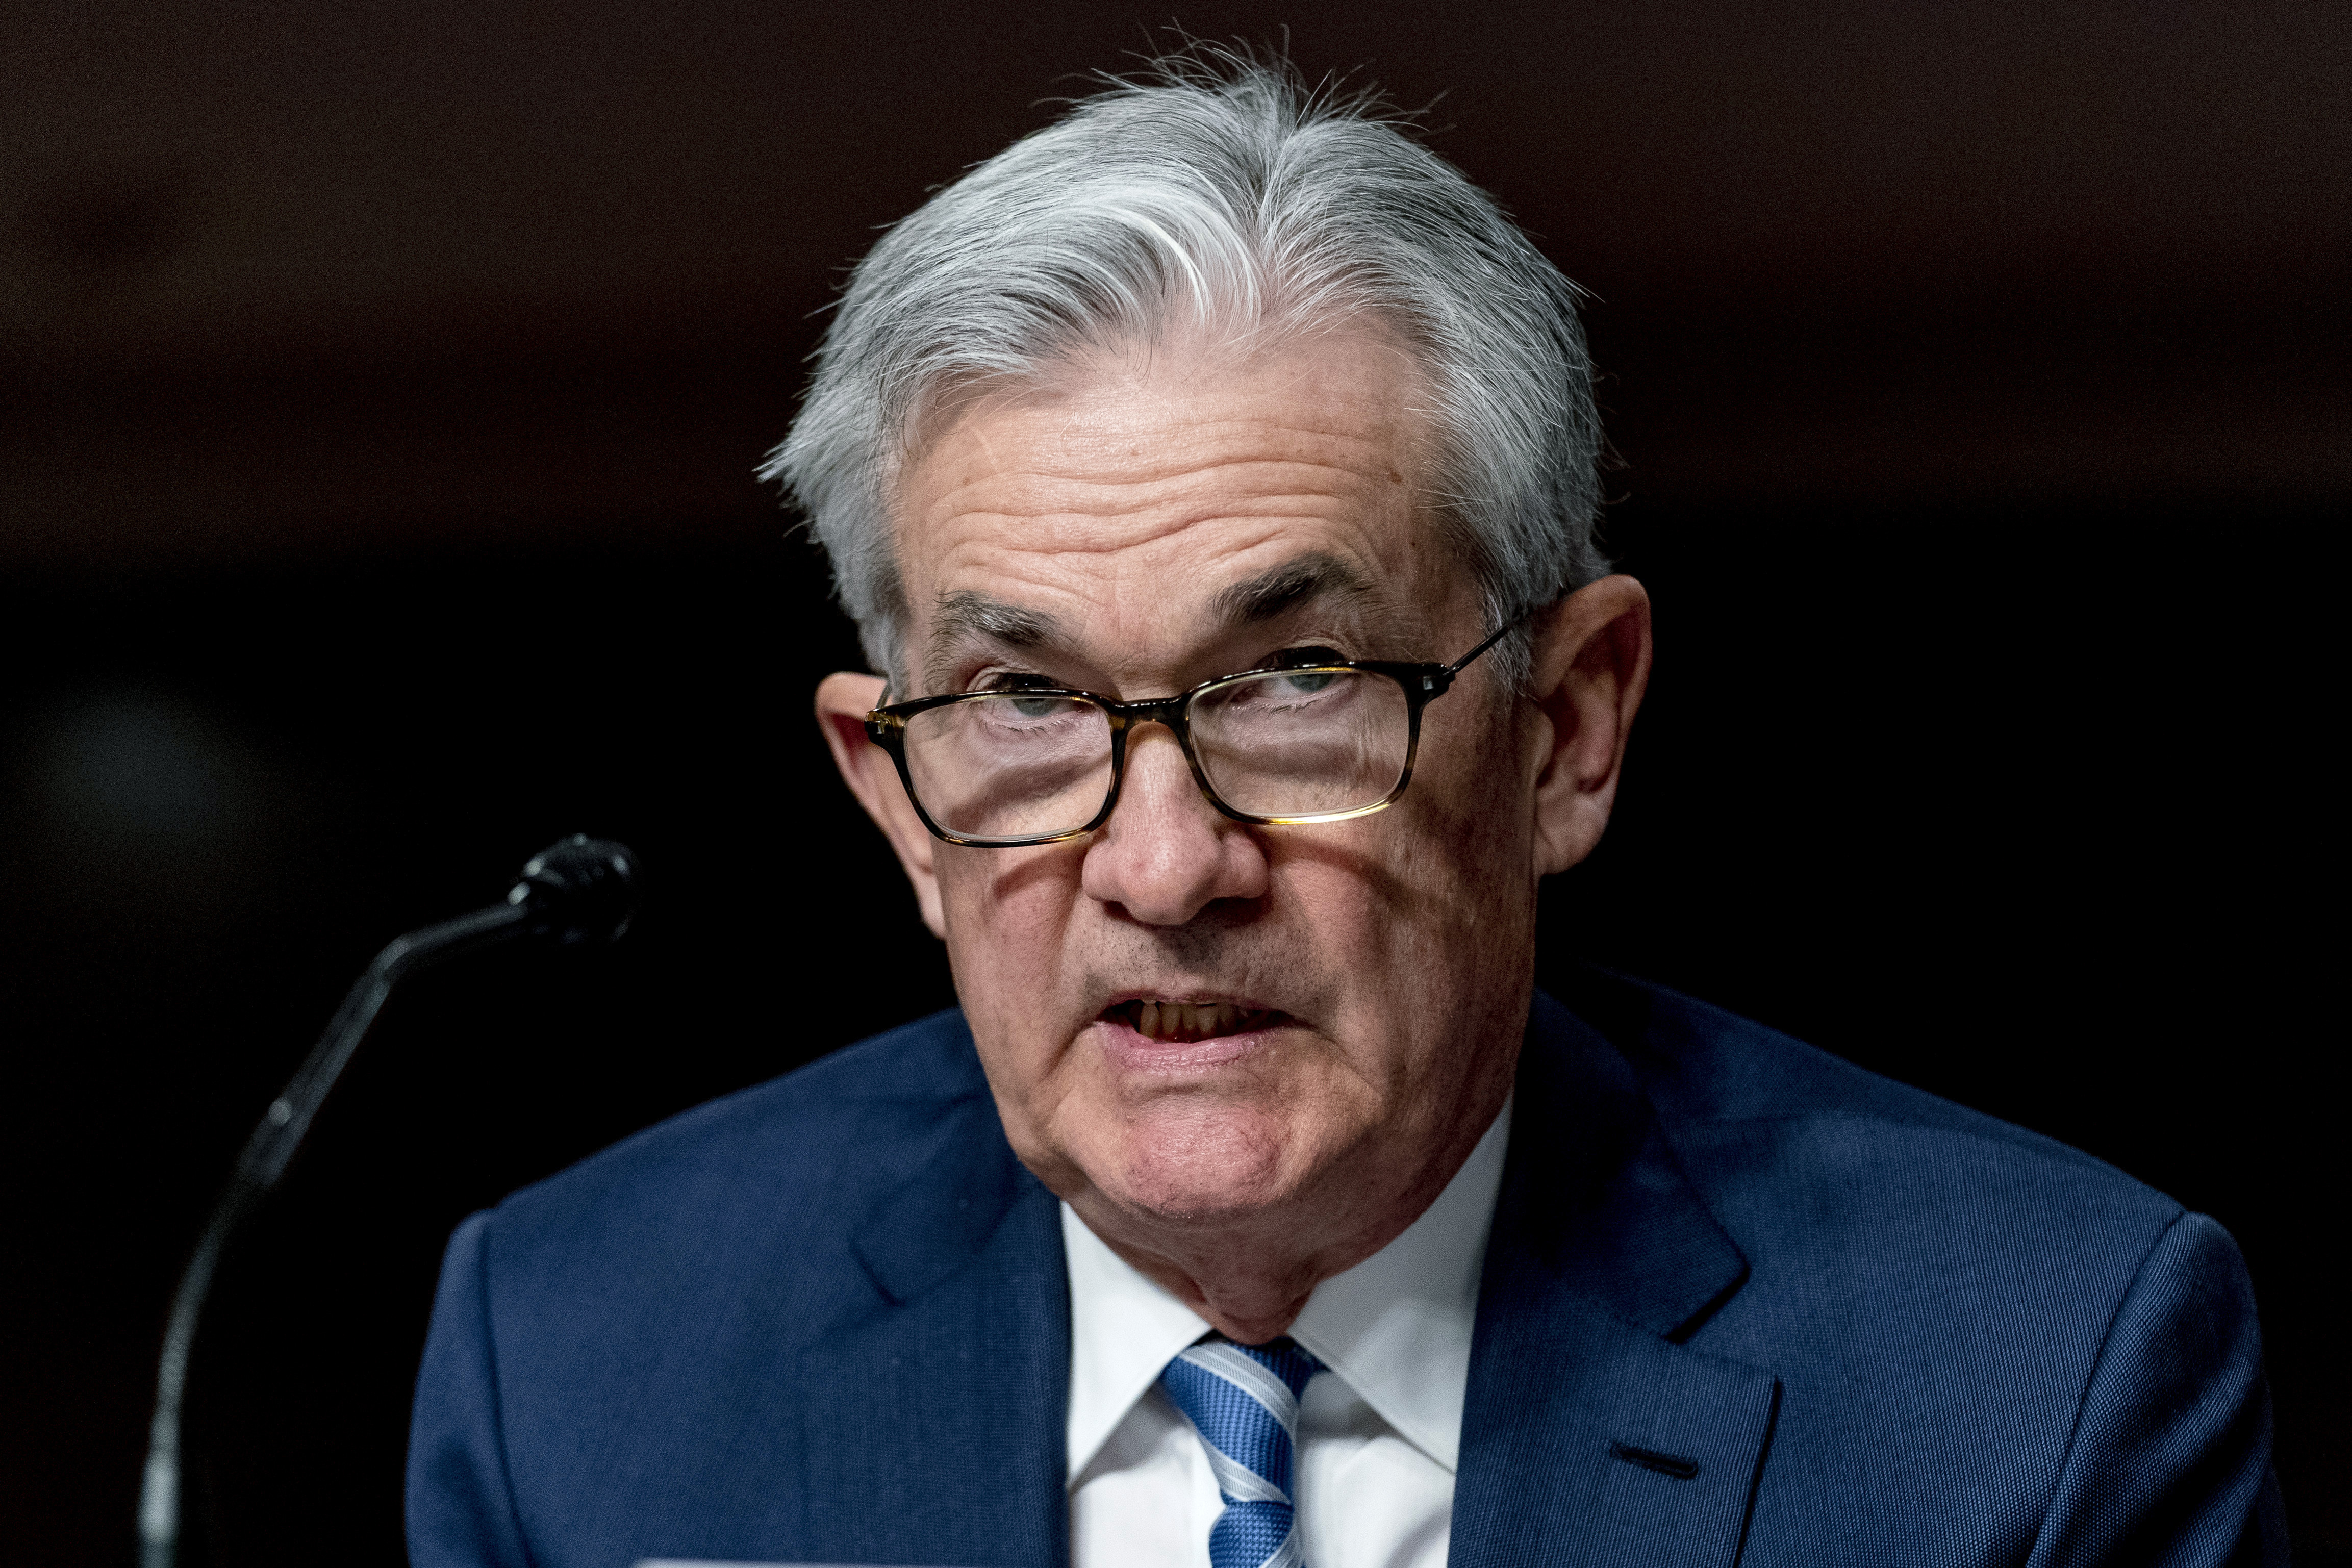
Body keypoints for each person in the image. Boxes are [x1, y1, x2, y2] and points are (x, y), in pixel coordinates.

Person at [407, 50, 2285, 1568]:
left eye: (1294, 687)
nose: (1159, 867)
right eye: (1029, 703)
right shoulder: (578, 1357)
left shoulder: (2039, 1375)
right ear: (898, 798)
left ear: (1562, 728)